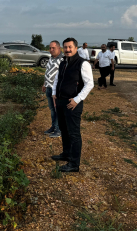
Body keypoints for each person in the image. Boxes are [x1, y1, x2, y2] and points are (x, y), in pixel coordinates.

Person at [51, 37, 94, 172]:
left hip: (73, 103)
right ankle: (66, 154)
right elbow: (57, 79)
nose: (67, 50)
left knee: (74, 133)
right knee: (64, 130)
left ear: (76, 48)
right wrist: (53, 93)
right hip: (61, 101)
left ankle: (74, 164)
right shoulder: (63, 62)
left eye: (70, 47)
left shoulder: (82, 63)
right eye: (65, 47)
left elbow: (89, 84)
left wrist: (77, 99)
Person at [42, 41, 64, 137]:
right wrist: (44, 83)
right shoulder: (51, 58)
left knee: (58, 110)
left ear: (59, 48)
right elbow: (48, 72)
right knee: (52, 109)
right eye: (50, 48)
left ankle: (59, 130)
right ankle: (53, 126)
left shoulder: (63, 60)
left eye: (53, 48)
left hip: (57, 90)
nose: (51, 50)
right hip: (48, 87)